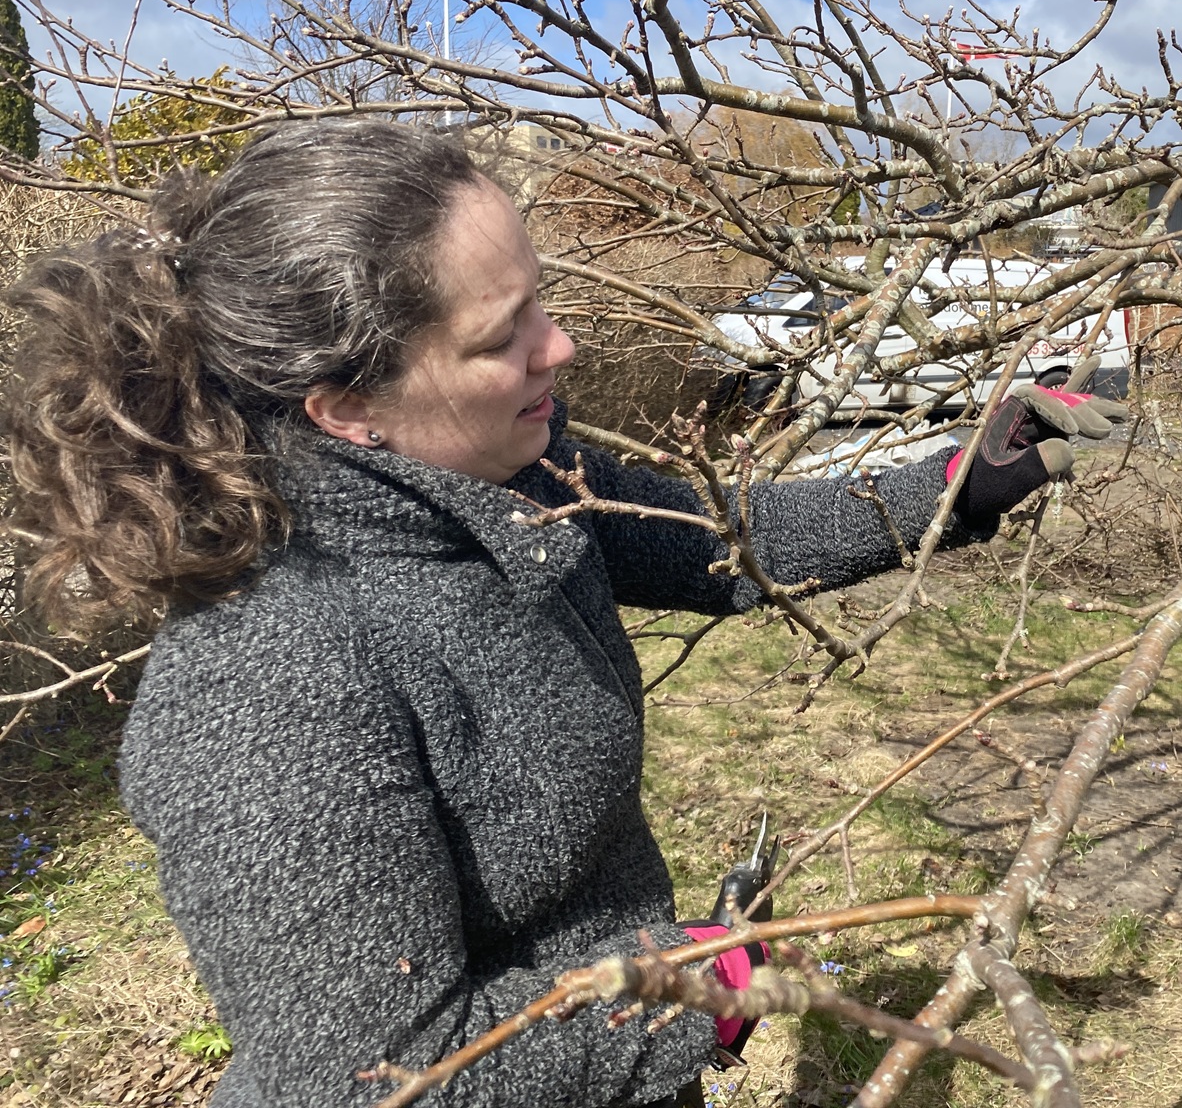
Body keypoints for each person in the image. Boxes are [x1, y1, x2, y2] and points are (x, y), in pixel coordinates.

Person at [3, 120, 1124, 1107]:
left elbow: (718, 540)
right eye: (502, 336)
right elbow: (372, 1082)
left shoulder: (515, 484)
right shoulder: (271, 688)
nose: (562, 346)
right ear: (348, 407)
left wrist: (955, 485)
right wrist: (693, 986)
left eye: (541, 299)